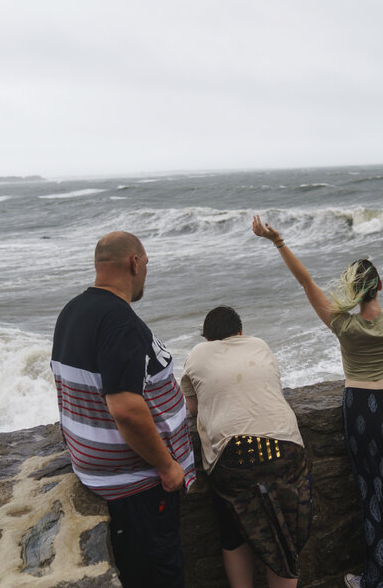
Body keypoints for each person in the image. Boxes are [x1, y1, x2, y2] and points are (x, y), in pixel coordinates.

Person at [251, 185, 383, 588]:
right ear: (378, 286)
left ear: (353, 290)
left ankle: (380, 580)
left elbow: (306, 283)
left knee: (373, 492)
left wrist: (279, 241)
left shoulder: (345, 324)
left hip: (362, 408)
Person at [50, 231, 196, 588]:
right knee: (160, 575)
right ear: (134, 262)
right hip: (138, 487)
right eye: (146, 262)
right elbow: (126, 410)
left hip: (104, 476)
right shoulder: (120, 323)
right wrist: (168, 467)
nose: (146, 270)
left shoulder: (72, 311)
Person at [180, 306, 312, 588]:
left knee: (234, 533)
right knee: (284, 531)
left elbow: (192, 408)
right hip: (285, 447)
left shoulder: (196, 355)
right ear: (240, 332)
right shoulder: (259, 345)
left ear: (207, 339)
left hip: (234, 456)